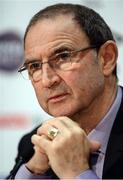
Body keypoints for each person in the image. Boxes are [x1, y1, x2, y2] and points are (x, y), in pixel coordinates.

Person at [7, 3, 123, 179]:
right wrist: (34, 171)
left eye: (63, 56)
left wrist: (76, 173)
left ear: (106, 58)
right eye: (35, 66)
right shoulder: (31, 144)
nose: (47, 80)